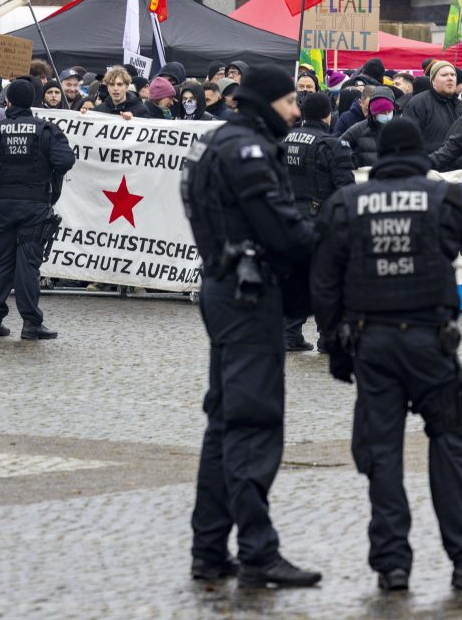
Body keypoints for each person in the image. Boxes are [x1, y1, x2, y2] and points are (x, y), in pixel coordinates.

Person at [313, 118, 462, 592]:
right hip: (431, 343)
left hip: (372, 344)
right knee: (449, 444)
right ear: (418, 155)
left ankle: (392, 565)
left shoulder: (346, 204)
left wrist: (334, 344)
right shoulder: (447, 198)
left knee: (382, 453)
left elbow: (323, 282)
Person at [180, 63, 320, 588]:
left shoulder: (217, 143)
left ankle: (210, 549)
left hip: (226, 287)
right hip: (248, 295)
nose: (296, 110)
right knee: (252, 424)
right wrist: (332, 240)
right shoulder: (249, 151)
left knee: (224, 424)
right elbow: (281, 229)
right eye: (290, 102)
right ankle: (259, 552)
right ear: (266, 102)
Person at [0, 79, 75, 339]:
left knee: (1, 262)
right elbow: (65, 160)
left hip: (4, 205)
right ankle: (31, 323)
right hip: (34, 205)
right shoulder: (46, 129)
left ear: (9, 101)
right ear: (34, 101)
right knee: (28, 264)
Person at [282, 91, 354, 351]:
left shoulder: (284, 139)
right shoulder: (333, 145)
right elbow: (346, 188)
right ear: (328, 115)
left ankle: (290, 335)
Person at [402, 61, 462, 153]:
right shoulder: (418, 104)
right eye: (444, 75)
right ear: (433, 81)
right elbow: (408, 139)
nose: (450, 78)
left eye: (453, 75)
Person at [341, 86, 399, 168]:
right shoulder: (360, 128)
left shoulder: (402, 128)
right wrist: (354, 159)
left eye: (389, 111)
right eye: (382, 112)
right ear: (374, 113)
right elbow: (338, 146)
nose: (387, 115)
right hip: (368, 174)